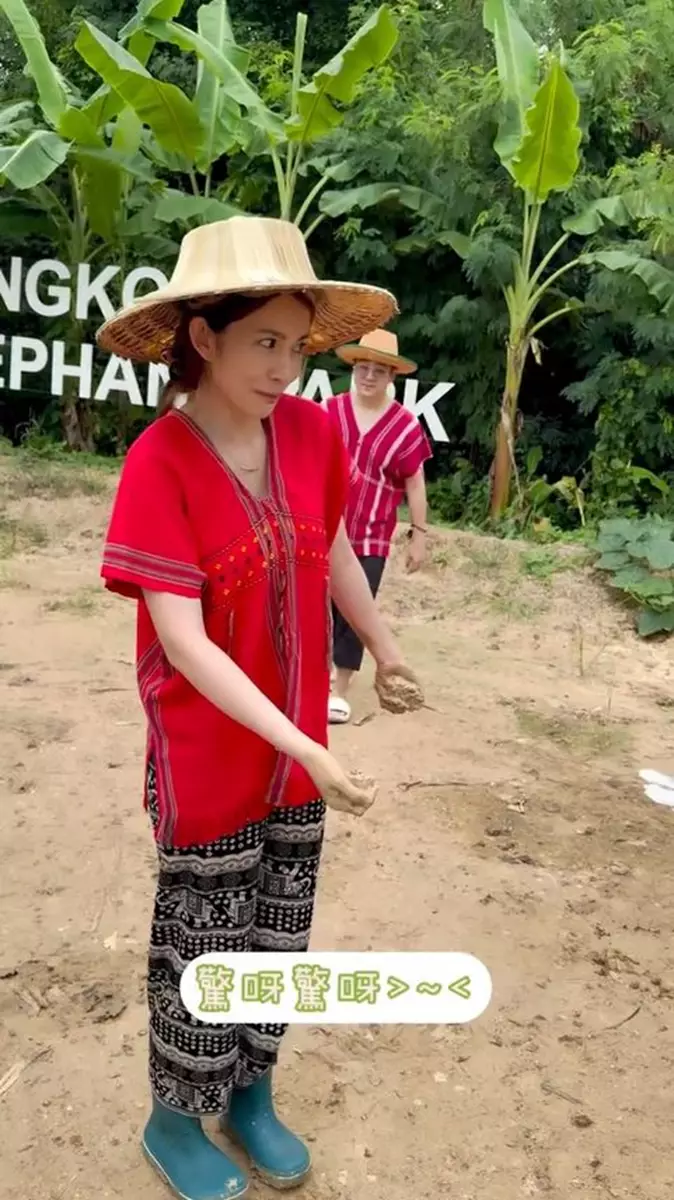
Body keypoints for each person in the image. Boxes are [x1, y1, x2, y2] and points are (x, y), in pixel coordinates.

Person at [96, 215, 424, 1200]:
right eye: (263, 343)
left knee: (278, 931)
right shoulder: (159, 461)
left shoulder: (312, 435)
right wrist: (307, 743)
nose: (285, 368)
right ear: (203, 337)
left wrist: (383, 647)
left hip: (294, 762)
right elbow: (184, 644)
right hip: (209, 763)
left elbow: (333, 550)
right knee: (203, 940)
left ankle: (252, 1096)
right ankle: (173, 1119)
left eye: (296, 344)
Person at [325, 329, 432, 725]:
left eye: (379, 370)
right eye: (363, 368)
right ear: (354, 369)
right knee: (316, 606)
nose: (369, 376)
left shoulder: (404, 426)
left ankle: (339, 688)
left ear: (392, 376)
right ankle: (313, 678)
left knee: (356, 611)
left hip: (372, 535)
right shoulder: (328, 411)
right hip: (324, 529)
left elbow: (415, 483)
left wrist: (419, 536)